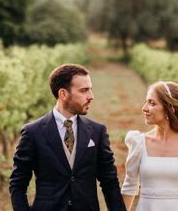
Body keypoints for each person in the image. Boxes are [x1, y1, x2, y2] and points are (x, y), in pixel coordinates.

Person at [10, 63, 125, 211]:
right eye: (84, 91)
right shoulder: (33, 132)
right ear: (63, 94)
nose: (91, 96)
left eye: (90, 89)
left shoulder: (97, 131)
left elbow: (110, 182)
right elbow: (18, 183)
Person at [121, 81, 178, 211]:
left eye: (152, 103)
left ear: (170, 109)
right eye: (146, 102)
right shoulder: (139, 143)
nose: (144, 108)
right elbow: (130, 185)